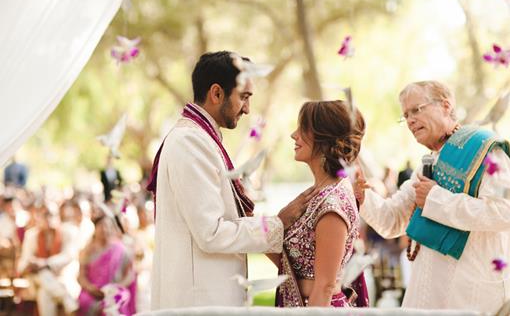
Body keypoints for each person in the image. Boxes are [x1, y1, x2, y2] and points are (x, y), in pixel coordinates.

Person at [146, 51, 317, 309]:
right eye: (244, 97)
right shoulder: (190, 142)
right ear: (217, 94)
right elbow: (211, 233)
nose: (247, 108)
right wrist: (276, 224)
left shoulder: (201, 139)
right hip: (199, 302)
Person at [355, 81, 510, 313]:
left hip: (472, 294)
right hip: (427, 295)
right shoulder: (429, 164)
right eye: (405, 115)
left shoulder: (486, 151)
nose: (409, 120)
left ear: (446, 106)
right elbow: (390, 221)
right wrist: (362, 195)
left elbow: (504, 211)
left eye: (416, 110)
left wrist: (436, 199)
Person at [272, 100, 369, 307]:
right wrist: (275, 223)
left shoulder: (332, 204)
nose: (293, 135)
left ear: (324, 138)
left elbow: (325, 286)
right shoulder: (317, 194)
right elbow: (293, 263)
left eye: (302, 128)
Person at [17, 204, 79, 316]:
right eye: (45, 215)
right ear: (38, 217)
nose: (48, 218)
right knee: (42, 273)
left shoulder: (69, 232)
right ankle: (67, 300)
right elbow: (22, 264)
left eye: (52, 214)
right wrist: (32, 264)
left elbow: (69, 256)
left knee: (44, 293)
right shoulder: (31, 235)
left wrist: (45, 263)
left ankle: (67, 300)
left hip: (61, 278)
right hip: (37, 280)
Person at [77, 215, 136, 316]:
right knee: (85, 304)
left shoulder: (121, 250)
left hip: (114, 291)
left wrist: (115, 288)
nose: (105, 229)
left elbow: (130, 275)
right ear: (95, 229)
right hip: (92, 292)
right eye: (102, 226)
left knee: (113, 307)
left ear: (113, 229)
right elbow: (81, 276)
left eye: (108, 226)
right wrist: (91, 288)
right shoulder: (87, 251)